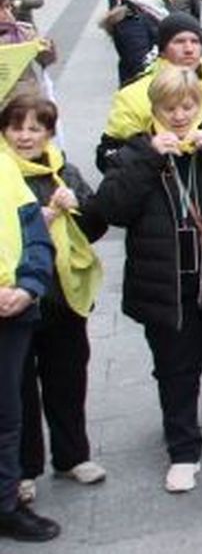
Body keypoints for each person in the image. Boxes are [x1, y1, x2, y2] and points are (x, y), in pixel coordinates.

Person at [85, 67, 202, 492]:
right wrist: (151, 158)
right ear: (155, 110)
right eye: (170, 108)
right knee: (175, 371)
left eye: (188, 106)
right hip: (165, 286)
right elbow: (112, 209)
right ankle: (183, 452)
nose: (180, 116)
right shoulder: (135, 151)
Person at [2, 94, 107, 512]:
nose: (25, 136)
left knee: (67, 379)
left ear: (49, 132)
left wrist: (77, 208)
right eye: (16, 127)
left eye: (35, 128)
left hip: (63, 296)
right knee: (18, 389)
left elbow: (98, 224)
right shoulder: (6, 175)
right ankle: (23, 469)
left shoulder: (62, 171)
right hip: (16, 300)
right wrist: (34, 225)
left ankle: (72, 456)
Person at [99, 12, 202, 171]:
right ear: (162, 50)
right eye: (179, 42)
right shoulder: (131, 95)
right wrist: (150, 150)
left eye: (195, 41)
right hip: (161, 185)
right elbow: (107, 157)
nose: (189, 49)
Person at [0, 141, 58, 541]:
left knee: (7, 415)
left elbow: (33, 231)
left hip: (13, 309)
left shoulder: (4, 165)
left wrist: (29, 284)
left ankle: (5, 504)